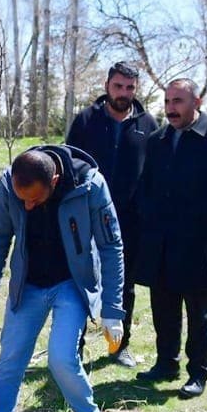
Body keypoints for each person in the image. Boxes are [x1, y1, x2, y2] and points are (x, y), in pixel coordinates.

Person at [0, 146, 124, 412]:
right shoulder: (9, 183)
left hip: (71, 284)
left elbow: (111, 246)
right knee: (9, 360)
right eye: (21, 198)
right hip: (28, 284)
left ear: (55, 181)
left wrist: (112, 310)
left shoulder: (90, 186)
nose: (27, 205)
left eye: (35, 199)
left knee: (62, 359)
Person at [133, 78, 207, 398]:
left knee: (197, 310)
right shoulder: (157, 139)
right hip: (160, 239)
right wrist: (149, 217)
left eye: (178, 101)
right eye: (167, 102)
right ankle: (166, 363)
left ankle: (198, 372)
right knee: (163, 305)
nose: (170, 109)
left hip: (196, 238)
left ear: (197, 102)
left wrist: (194, 219)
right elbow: (146, 183)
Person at [65, 62, 158, 368]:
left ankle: (119, 346)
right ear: (107, 86)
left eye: (130, 88)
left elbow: (153, 173)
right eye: (118, 86)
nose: (123, 93)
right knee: (80, 281)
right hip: (86, 215)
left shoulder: (148, 125)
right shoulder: (85, 121)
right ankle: (74, 347)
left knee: (124, 283)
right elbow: (69, 164)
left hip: (129, 220)